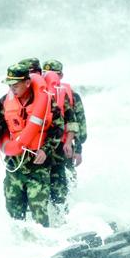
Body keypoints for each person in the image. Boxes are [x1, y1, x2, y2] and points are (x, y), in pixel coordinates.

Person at [0, 63, 64, 227]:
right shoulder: (5, 102)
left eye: (15, 85)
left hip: (38, 166)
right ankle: (20, 246)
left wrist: (45, 150)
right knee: (14, 212)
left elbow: (58, 128)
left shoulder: (46, 102)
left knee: (39, 212)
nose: (12, 88)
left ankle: (46, 246)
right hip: (14, 166)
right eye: (10, 85)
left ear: (27, 83)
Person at [42, 60, 85, 211]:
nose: (51, 77)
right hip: (46, 148)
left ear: (61, 75)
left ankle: (71, 212)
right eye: (46, 74)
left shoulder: (72, 95)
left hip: (65, 146)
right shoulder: (41, 95)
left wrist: (78, 149)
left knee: (67, 182)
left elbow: (80, 124)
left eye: (55, 74)